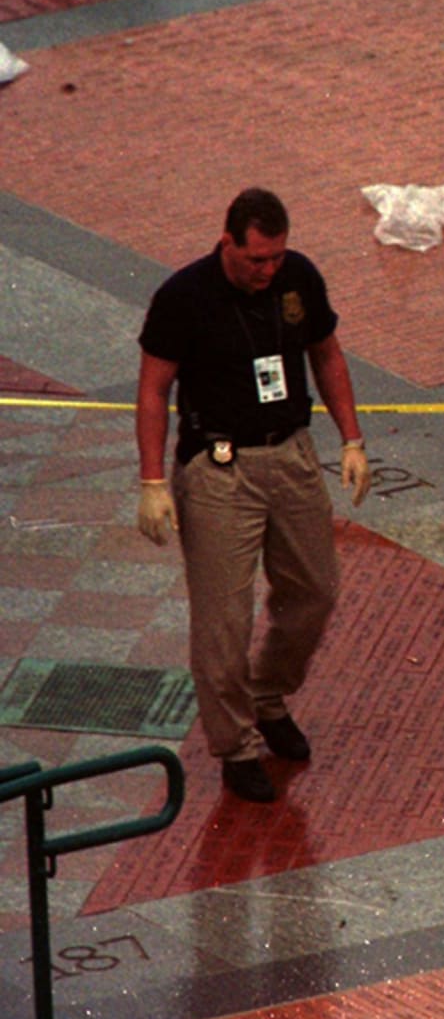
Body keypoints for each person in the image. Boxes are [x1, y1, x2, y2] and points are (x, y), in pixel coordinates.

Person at [136, 187, 372, 804]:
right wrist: (153, 481)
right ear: (228, 243)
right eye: (256, 259)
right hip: (220, 469)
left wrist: (351, 439)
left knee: (316, 590)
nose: (268, 270)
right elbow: (153, 389)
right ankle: (236, 745)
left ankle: (267, 693)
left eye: (276, 257)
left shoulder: (298, 279)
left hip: (290, 453)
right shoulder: (184, 297)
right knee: (224, 620)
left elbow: (327, 354)